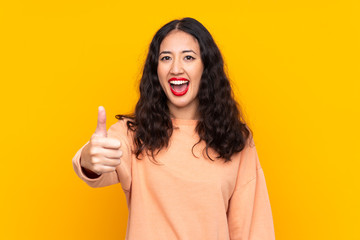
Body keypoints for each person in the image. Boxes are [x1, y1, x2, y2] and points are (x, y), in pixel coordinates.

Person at [72, 17, 275, 240]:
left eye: (188, 57)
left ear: (205, 67)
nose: (176, 68)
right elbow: (99, 164)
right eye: (166, 58)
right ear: (156, 70)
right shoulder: (133, 134)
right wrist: (90, 160)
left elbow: (253, 228)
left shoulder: (235, 138)